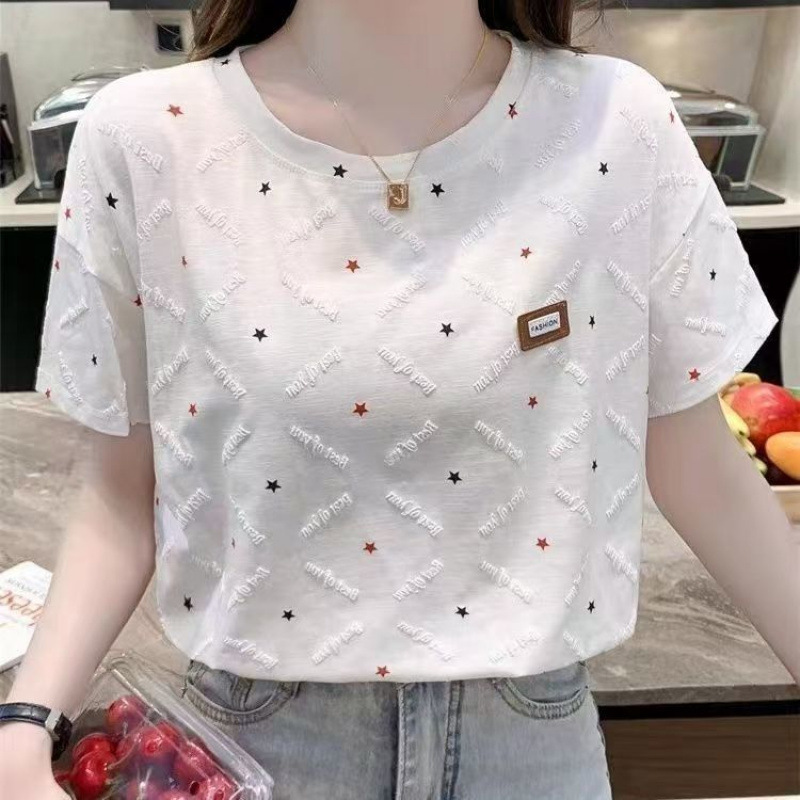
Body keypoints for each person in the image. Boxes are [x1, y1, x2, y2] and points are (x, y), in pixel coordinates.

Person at [1, 1, 798, 798]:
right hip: (257, 752)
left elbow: (704, 473)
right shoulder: (147, 139)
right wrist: (25, 728)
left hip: (531, 749)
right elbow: (117, 500)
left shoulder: (618, 125)